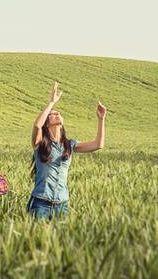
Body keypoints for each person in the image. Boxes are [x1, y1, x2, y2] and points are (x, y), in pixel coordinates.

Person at [27, 81, 106, 219]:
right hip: (41, 203)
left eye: (59, 113)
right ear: (47, 122)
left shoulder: (70, 145)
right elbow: (37, 125)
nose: (57, 114)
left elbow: (98, 145)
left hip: (62, 204)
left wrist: (101, 120)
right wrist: (51, 103)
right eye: (52, 114)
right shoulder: (40, 143)